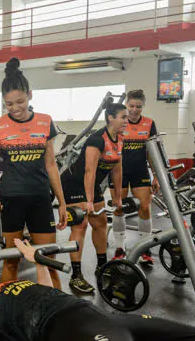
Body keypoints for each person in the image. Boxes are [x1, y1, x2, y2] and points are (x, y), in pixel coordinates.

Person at [0, 240, 195, 341]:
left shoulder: (6, 287)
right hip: (66, 327)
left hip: (98, 315)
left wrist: (37, 263)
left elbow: (45, 291)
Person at [0, 57, 67, 288]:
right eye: (9, 104)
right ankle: (8, 312)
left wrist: (62, 201)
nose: (15, 108)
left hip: (40, 198)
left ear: (30, 94)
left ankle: (58, 315)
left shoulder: (45, 122)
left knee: (49, 260)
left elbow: (51, 165)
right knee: (11, 262)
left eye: (20, 101)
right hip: (12, 199)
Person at [60, 103, 127, 293]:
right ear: (110, 118)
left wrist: (118, 196)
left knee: (101, 223)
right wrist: (89, 201)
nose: (126, 121)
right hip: (74, 183)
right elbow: (89, 170)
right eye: (123, 117)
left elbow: (117, 169)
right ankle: (76, 276)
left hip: (91, 185)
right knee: (80, 226)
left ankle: (102, 267)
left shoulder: (120, 139)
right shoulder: (97, 140)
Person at [109, 89, 159, 264]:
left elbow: (153, 153)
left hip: (140, 171)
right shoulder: (118, 121)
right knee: (118, 208)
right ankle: (119, 248)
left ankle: (145, 249)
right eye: (131, 106)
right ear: (126, 105)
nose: (134, 110)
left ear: (143, 106)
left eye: (138, 106)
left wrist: (156, 176)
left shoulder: (149, 123)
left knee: (144, 208)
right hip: (117, 171)